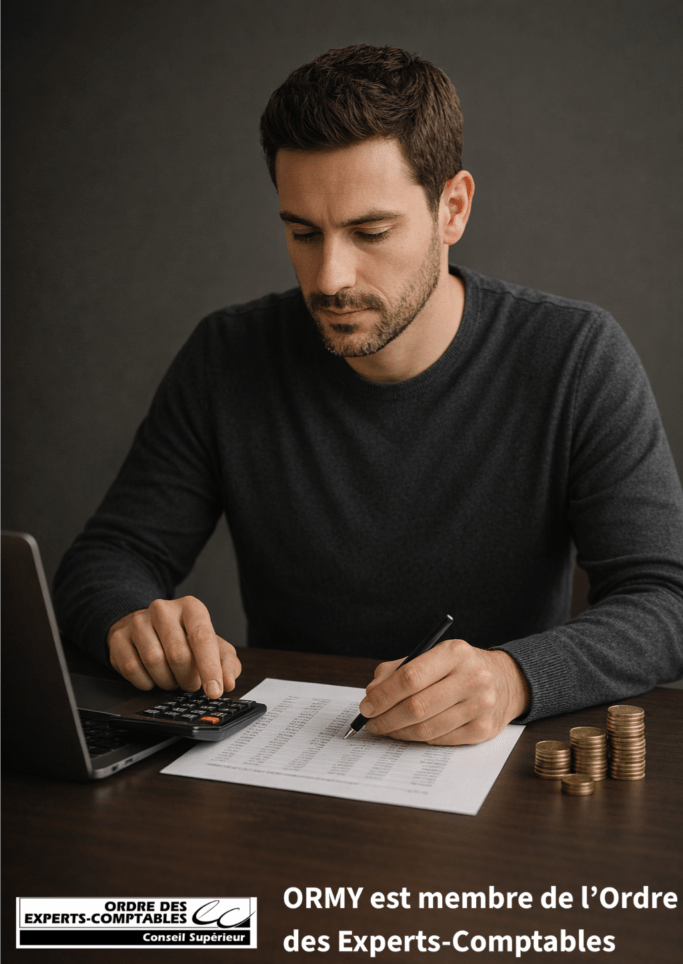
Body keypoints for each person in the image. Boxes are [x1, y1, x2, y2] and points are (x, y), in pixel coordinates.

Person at [54, 44, 683, 746]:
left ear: (453, 207)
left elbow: (665, 603)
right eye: (302, 232)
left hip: (492, 780)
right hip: (280, 758)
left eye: (370, 232)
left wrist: (513, 677)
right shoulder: (227, 355)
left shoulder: (573, 356)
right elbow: (105, 559)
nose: (329, 277)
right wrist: (130, 620)